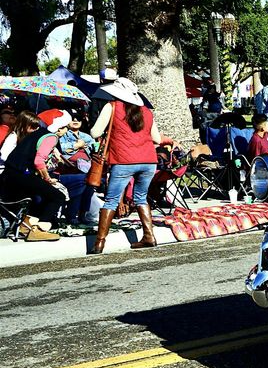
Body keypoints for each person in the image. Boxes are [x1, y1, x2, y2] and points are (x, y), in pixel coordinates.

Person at [88, 77, 166, 254]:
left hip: (123, 160)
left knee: (111, 201)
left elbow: (95, 132)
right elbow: (157, 139)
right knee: (140, 198)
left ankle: (99, 243)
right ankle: (149, 236)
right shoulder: (146, 111)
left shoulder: (112, 106)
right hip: (148, 161)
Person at [0, 110, 71, 240]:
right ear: (60, 127)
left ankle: (25, 226)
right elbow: (39, 161)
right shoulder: (50, 137)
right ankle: (38, 229)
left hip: (9, 175)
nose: (66, 130)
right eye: (66, 127)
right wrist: (47, 178)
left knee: (39, 194)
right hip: (21, 174)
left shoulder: (34, 134)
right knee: (57, 196)